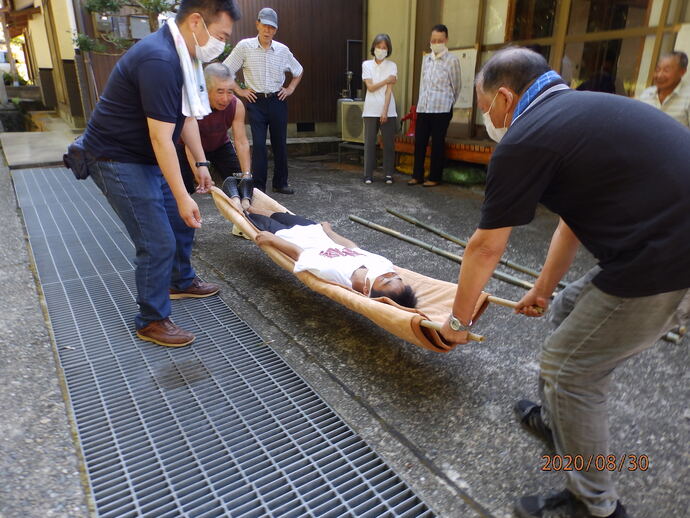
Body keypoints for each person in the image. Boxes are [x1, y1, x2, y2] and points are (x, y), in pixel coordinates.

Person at [439, 47, 690, 518]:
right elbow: (571, 220)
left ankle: (594, 505)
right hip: (662, 245)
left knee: (570, 372)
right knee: (567, 307)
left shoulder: (526, 139)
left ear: (505, 98)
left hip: (667, 261)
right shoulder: (580, 111)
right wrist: (543, 287)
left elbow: (485, 247)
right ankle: (560, 424)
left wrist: (457, 320)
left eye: (484, 105)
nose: (486, 117)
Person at [81, 0, 242, 347]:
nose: (223, 45)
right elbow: (159, 136)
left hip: (144, 153)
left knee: (180, 220)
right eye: (221, 35)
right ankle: (151, 319)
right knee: (157, 238)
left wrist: (200, 164)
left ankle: (180, 281)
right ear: (197, 21)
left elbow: (185, 118)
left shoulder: (185, 56)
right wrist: (183, 195)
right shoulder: (160, 58)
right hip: (115, 157)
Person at [243, 206, 417, 307]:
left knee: (250, 215)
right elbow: (351, 247)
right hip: (313, 230)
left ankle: (243, 204)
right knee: (276, 213)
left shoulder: (335, 274)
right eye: (396, 277)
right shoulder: (382, 265)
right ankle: (251, 203)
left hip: (285, 235)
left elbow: (299, 254)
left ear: (366, 291)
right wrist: (329, 231)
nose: (390, 273)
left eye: (386, 280)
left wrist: (272, 240)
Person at [224, 7, 303, 194]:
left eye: (272, 27)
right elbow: (225, 69)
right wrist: (239, 90)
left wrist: (290, 88)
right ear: (257, 24)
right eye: (265, 26)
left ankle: (280, 183)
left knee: (280, 143)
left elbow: (298, 71)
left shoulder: (283, 50)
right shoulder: (245, 46)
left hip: (277, 100)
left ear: (276, 29)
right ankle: (258, 186)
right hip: (255, 102)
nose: (268, 30)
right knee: (259, 145)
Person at [176, 62, 252, 208]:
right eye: (219, 91)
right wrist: (200, 173)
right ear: (206, 89)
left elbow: (241, 142)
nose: (225, 98)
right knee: (183, 190)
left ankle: (243, 223)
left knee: (239, 183)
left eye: (230, 91)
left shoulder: (237, 105)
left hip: (220, 145)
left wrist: (246, 175)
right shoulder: (193, 104)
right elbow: (189, 145)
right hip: (187, 147)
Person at [408, 24, 460, 187]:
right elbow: (423, 84)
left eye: (439, 40)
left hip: (442, 108)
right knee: (420, 142)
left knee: (438, 143)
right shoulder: (426, 59)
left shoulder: (452, 60)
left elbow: (456, 86)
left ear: (446, 40)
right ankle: (417, 175)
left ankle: (435, 177)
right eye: (433, 40)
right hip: (424, 106)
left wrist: (449, 102)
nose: (436, 43)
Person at [361, 34, 397, 184]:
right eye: (379, 47)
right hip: (370, 109)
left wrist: (385, 111)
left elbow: (389, 90)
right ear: (373, 47)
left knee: (388, 143)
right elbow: (370, 87)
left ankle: (388, 174)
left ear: (388, 50)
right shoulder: (367, 64)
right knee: (370, 143)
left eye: (384, 48)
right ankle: (368, 174)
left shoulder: (392, 65)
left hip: (388, 109)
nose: (381, 50)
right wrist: (386, 80)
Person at [637, 51, 690, 127]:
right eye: (657, 70)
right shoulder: (647, 93)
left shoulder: (688, 97)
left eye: (666, 70)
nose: (659, 75)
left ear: (682, 72)